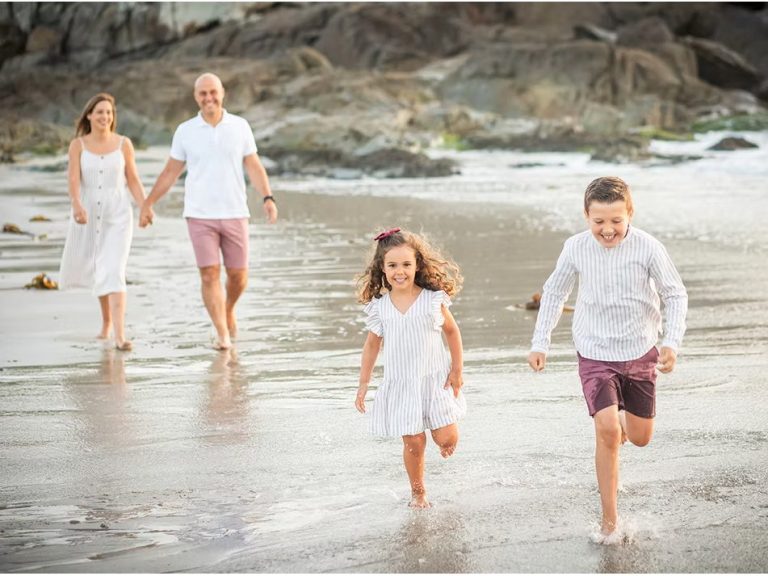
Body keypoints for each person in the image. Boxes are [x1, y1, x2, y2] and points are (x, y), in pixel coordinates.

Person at [527, 176, 688, 543]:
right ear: (586, 216)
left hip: (640, 350)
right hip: (594, 352)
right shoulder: (575, 247)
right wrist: (540, 343)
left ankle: (623, 423)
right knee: (607, 431)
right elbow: (554, 293)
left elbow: (675, 294)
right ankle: (610, 520)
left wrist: (671, 343)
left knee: (640, 437)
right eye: (599, 221)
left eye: (616, 220)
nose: (608, 229)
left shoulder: (648, 247)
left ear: (630, 213)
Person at [138, 72, 277, 350]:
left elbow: (253, 165)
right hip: (199, 214)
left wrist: (268, 197)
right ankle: (222, 332)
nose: (208, 98)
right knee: (209, 274)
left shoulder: (240, 126)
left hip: (235, 211)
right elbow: (170, 172)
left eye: (213, 92)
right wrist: (148, 202)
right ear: (196, 97)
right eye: (203, 93)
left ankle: (228, 309)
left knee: (238, 277)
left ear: (222, 93)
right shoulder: (185, 131)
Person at [355, 228, 466, 508]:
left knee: (446, 438)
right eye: (392, 265)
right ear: (382, 268)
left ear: (418, 265)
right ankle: (418, 492)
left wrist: (457, 370)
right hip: (402, 384)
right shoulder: (380, 307)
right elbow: (371, 346)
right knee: (414, 442)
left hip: (434, 381)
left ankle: (446, 440)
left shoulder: (432, 300)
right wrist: (363, 383)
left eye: (406, 264)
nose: (400, 271)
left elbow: (452, 332)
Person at [59, 93, 147, 351]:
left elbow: (133, 179)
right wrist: (76, 204)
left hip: (118, 215)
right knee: (100, 268)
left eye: (109, 112)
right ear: (89, 115)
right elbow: (73, 180)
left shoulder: (124, 144)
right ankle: (106, 322)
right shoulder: (78, 145)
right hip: (88, 214)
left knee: (114, 270)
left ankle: (120, 336)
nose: (105, 116)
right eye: (99, 112)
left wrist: (144, 206)